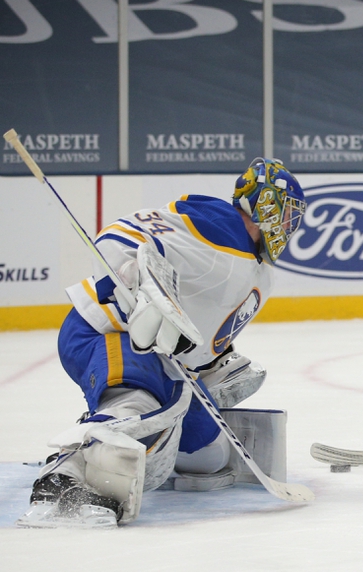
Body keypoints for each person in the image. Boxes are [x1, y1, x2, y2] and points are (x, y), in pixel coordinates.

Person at [17, 158, 307, 528]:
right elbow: (118, 237)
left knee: (209, 454)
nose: (289, 226)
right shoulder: (217, 221)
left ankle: (129, 434)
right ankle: (64, 479)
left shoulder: (261, 274)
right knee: (137, 407)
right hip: (111, 332)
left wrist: (211, 367)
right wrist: (139, 292)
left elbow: (200, 334)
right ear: (265, 203)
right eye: (287, 214)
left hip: (166, 360)